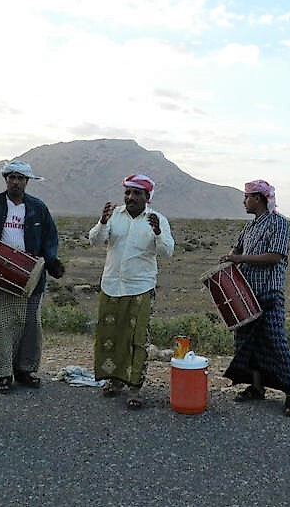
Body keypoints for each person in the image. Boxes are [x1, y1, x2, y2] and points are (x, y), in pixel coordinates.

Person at [0, 160, 64, 394]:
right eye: (11, 177)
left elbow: (49, 238)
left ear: (27, 181)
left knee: (30, 325)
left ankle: (25, 370)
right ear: (6, 179)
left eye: (20, 178)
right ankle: (2, 374)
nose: (15, 182)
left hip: (31, 274)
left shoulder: (38, 207)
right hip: (0, 274)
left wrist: (52, 261)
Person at [88, 174, 174, 409]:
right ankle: (115, 381)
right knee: (111, 335)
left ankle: (135, 388)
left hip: (140, 287)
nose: (130, 197)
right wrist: (103, 221)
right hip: (112, 285)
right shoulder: (114, 216)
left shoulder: (157, 219)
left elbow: (167, 252)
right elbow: (94, 240)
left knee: (136, 338)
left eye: (137, 193)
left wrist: (157, 232)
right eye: (128, 192)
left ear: (148, 197)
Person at [220, 179, 290, 417]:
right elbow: (238, 248)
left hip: (268, 291)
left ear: (258, 198)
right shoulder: (250, 227)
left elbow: (275, 256)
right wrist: (231, 256)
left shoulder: (279, 224)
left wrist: (240, 259)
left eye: (247, 197)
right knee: (247, 342)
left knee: (276, 342)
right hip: (246, 294)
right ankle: (256, 388)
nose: (244, 201)